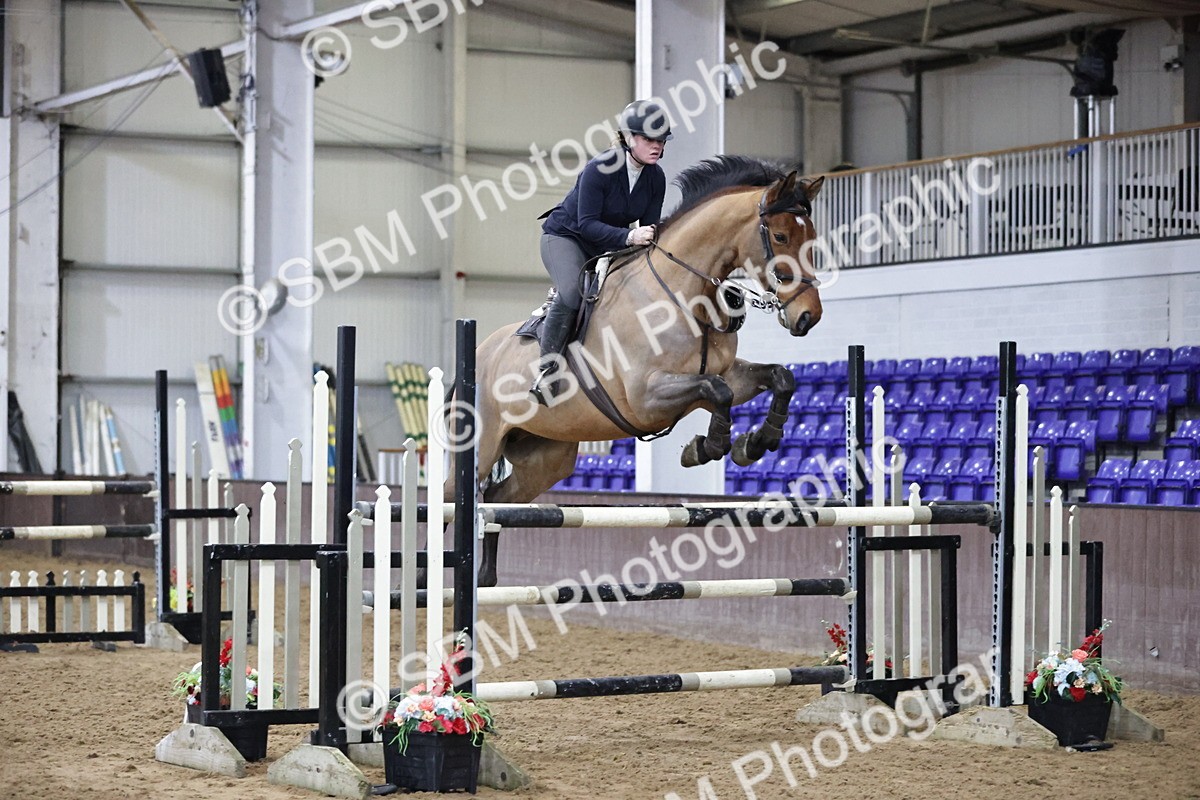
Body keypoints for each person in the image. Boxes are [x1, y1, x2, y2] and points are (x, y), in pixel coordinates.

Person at [530, 99, 673, 405]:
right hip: (567, 237)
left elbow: (649, 229)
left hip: (609, 243)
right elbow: (587, 225)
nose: (657, 146)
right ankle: (547, 370)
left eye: (661, 141)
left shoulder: (655, 177)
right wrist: (630, 236)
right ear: (629, 138)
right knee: (572, 292)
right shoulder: (600, 168)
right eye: (649, 139)